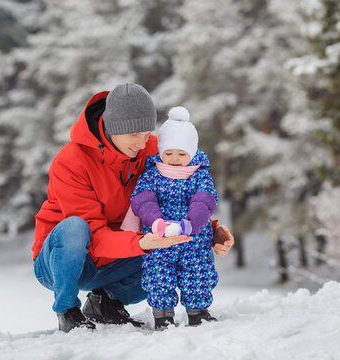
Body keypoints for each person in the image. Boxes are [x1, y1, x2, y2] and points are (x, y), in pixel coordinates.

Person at [33, 83, 234, 333]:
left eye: (146, 133)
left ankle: (106, 302)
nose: (142, 143)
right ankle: (67, 310)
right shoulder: (71, 162)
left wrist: (208, 230)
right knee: (75, 228)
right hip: (64, 261)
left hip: (118, 256)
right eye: (133, 135)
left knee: (181, 246)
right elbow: (92, 235)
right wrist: (140, 244)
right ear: (112, 129)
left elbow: (178, 197)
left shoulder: (154, 150)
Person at [130, 106, 228, 330]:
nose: (174, 159)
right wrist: (155, 221)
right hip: (160, 237)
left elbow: (205, 200)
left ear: (192, 153)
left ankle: (198, 311)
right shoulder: (151, 174)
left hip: (192, 238)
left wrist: (190, 224)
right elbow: (143, 200)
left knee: (197, 273)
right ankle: (162, 315)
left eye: (182, 154)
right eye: (169, 153)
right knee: (158, 275)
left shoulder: (199, 174)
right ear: (161, 151)